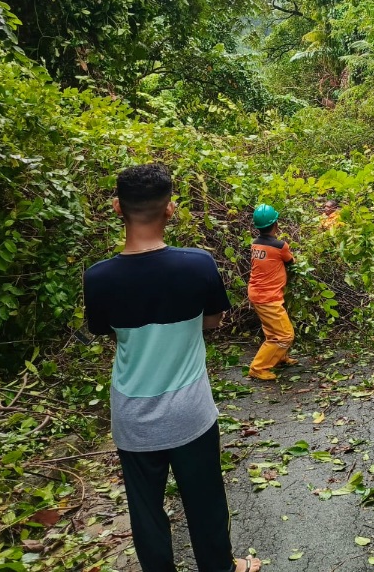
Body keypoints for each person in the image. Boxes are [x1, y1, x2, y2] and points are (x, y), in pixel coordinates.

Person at [83, 163, 259, 572]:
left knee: (145, 513)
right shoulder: (197, 265)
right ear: (171, 209)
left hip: (132, 416)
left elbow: (108, 332)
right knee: (206, 501)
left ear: (116, 208)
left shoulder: (98, 278)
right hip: (190, 413)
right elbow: (213, 322)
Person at [246, 204, 300, 380]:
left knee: (272, 330)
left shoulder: (255, 244)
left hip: (257, 293)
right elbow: (291, 262)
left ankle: (279, 357)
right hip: (268, 297)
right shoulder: (280, 246)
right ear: (276, 224)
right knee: (285, 335)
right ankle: (258, 367)